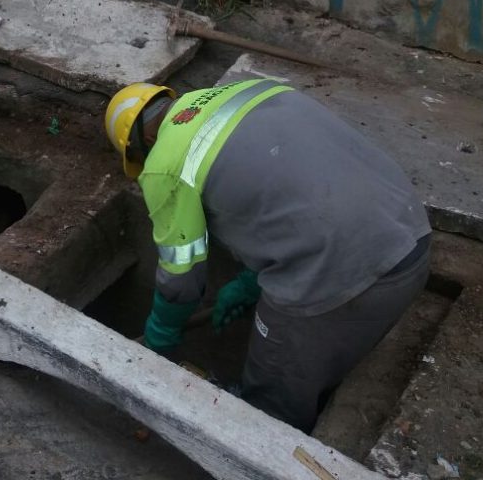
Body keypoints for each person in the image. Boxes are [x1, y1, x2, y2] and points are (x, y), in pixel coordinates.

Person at [104, 78, 431, 433]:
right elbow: (289, 186)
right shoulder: (248, 90)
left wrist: (162, 331)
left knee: (268, 411)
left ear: (145, 142)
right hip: (411, 237)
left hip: (346, 280)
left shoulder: (165, 164)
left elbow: (181, 275)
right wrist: (249, 282)